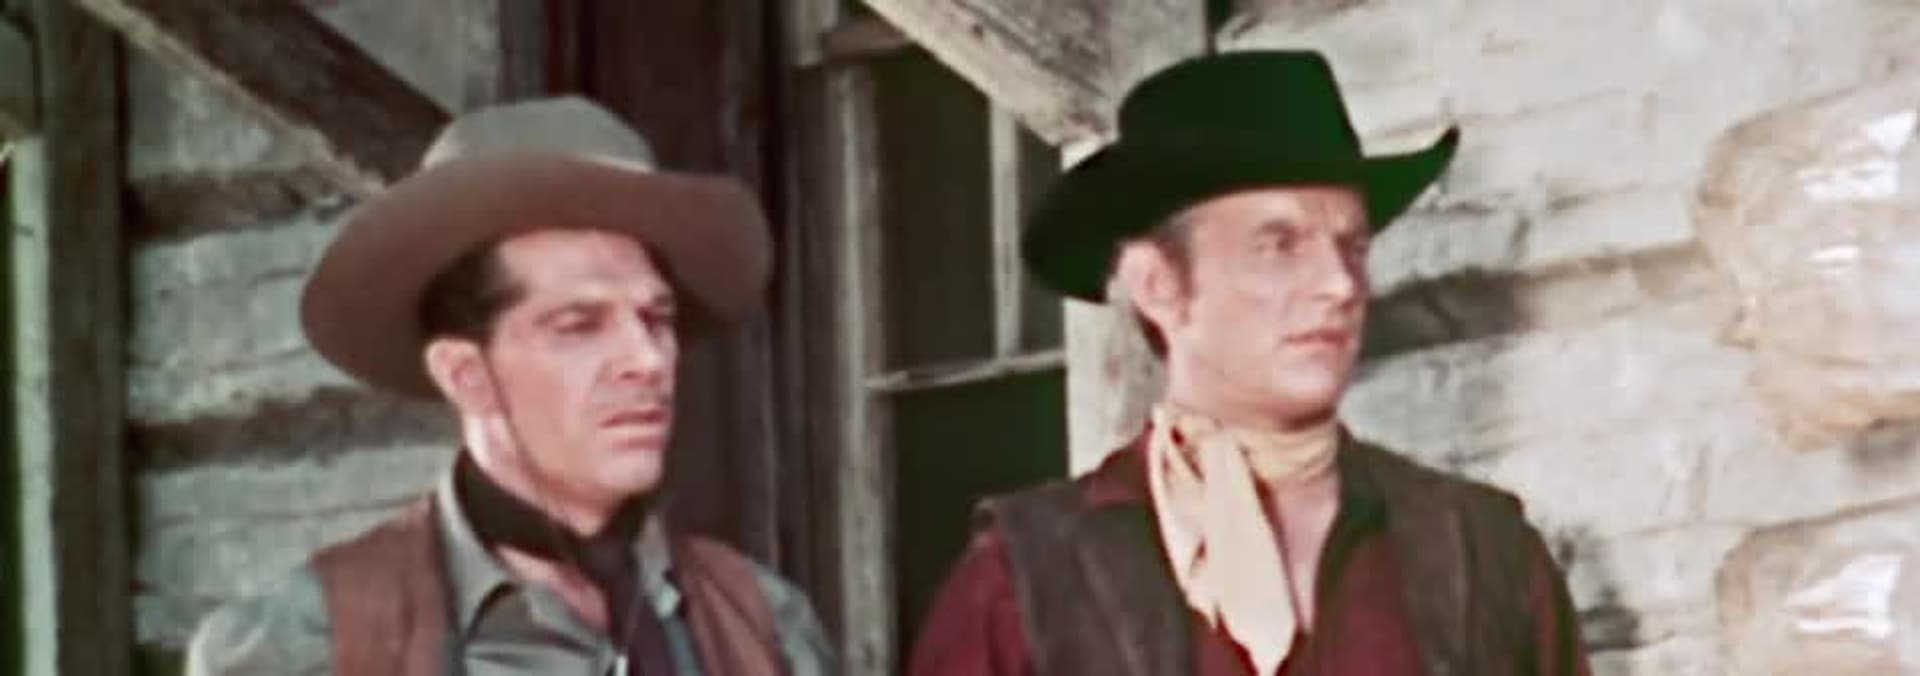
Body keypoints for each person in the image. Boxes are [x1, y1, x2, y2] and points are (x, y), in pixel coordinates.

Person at [909, 50, 1589, 676]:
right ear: (1158, 285)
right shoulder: (1026, 582)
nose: (1340, 284)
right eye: (1279, 245)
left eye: (1352, 246)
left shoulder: (1481, 552)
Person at [186, 97, 834, 676]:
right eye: (579, 325)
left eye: (655, 319)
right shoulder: (307, 647)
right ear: (467, 376)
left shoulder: (764, 624)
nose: (647, 359)